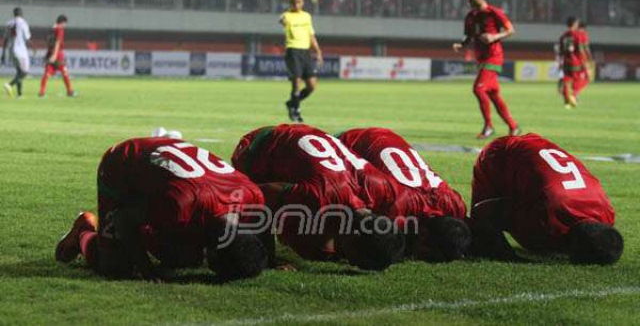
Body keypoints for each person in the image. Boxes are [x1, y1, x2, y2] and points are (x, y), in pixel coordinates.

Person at [56, 137, 268, 281]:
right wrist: (146, 269)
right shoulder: (181, 205)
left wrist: (271, 260)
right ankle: (84, 230)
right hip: (123, 164)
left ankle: (156, 236)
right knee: (117, 268)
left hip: (172, 168)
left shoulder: (253, 198)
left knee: (182, 258)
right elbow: (123, 219)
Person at [232, 124, 404, 271]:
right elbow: (259, 195)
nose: (351, 262)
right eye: (356, 260)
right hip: (259, 145)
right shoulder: (321, 197)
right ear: (354, 235)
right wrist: (267, 255)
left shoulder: (382, 187)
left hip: (309, 139)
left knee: (313, 241)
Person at [469, 133, 623, 264]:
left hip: (539, 146)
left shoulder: (606, 213)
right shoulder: (547, 216)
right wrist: (509, 257)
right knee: (480, 237)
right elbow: (484, 211)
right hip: (501, 153)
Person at [338, 128, 471, 262]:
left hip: (391, 138)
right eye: (428, 255)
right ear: (424, 235)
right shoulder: (397, 207)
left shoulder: (455, 203)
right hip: (353, 141)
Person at [452, 0, 520, 139]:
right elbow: (468, 36)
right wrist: (461, 45)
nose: (468, 0)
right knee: (494, 95)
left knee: (478, 89)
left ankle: (488, 126)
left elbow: (510, 30)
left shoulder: (494, 12)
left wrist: (494, 37)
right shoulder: (470, 17)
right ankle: (513, 126)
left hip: (494, 57)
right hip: (481, 59)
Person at [280, 0, 323, 123]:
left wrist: (318, 52)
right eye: (294, 2)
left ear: (303, 2)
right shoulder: (286, 16)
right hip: (293, 50)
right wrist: (284, 19)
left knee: (311, 85)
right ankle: (296, 111)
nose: (296, 4)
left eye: (299, 2)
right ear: (290, 3)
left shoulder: (306, 16)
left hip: (306, 52)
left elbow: (311, 36)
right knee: (296, 82)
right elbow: (281, 20)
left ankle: (291, 103)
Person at [40, 14, 77, 98]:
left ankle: (41, 92)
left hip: (50, 52)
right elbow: (58, 42)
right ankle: (70, 91)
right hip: (57, 53)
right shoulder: (60, 29)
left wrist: (49, 53)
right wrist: (55, 55)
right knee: (64, 71)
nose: (65, 26)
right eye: (65, 24)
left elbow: (48, 41)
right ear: (62, 22)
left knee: (48, 72)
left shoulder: (51, 29)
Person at [2, 7, 33, 98]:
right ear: (21, 13)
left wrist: (3, 53)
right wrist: (33, 47)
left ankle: (19, 94)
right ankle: (9, 85)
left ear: (14, 14)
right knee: (25, 72)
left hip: (11, 50)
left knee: (19, 72)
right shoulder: (23, 23)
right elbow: (27, 38)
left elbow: (5, 40)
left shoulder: (9, 23)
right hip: (21, 51)